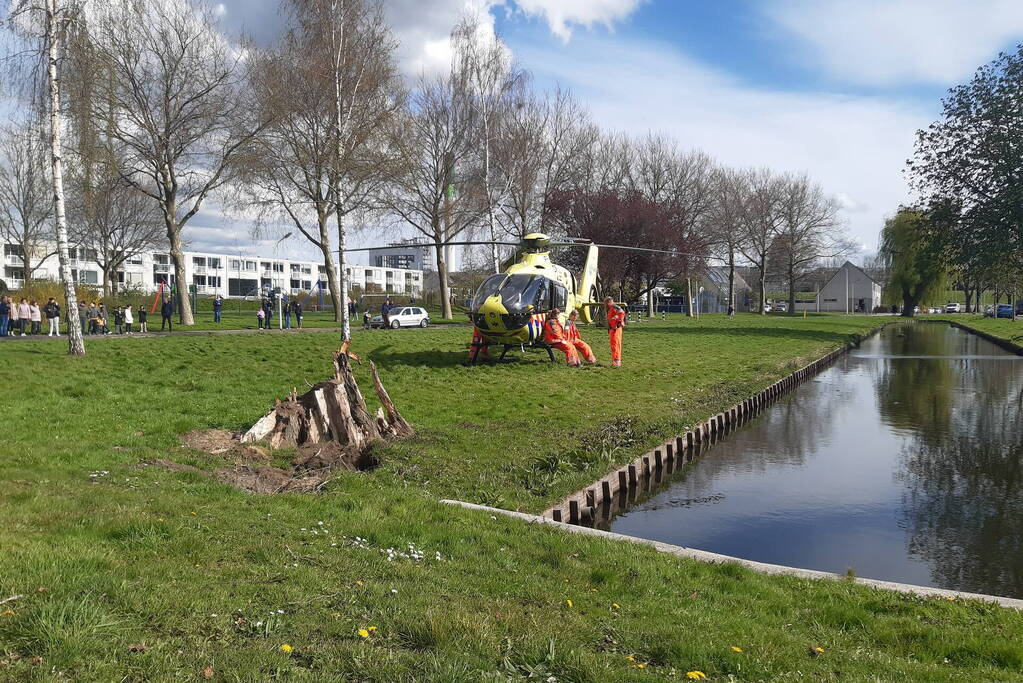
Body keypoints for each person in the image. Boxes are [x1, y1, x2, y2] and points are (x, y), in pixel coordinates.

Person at [604, 297, 626, 367]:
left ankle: (616, 362)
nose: (605, 305)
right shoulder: (611, 308)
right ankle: (615, 361)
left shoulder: (615, 307)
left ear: (609, 302)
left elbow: (622, 313)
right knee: (614, 345)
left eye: (606, 303)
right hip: (612, 329)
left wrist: (617, 322)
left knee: (615, 345)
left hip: (615, 329)